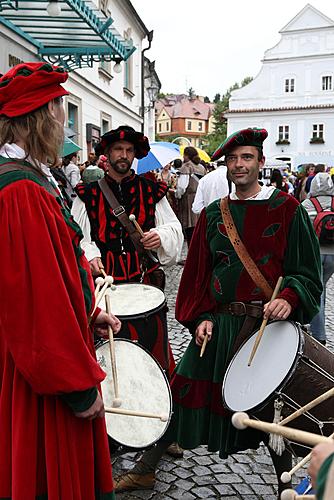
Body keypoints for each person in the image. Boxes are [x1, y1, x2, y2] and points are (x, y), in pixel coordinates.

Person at [114, 128, 322, 495]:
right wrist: (201, 317)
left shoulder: (287, 209)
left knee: (273, 411)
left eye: (247, 158)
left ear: (260, 162)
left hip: (267, 328)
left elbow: (307, 271)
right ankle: (147, 467)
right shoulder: (214, 214)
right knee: (181, 391)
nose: (239, 165)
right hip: (220, 324)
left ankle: (286, 488)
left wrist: (289, 296)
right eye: (233, 159)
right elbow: (197, 276)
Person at [0, 62, 122, 499]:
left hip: (45, 360)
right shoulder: (21, 192)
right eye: (58, 109)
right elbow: (37, 306)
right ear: (39, 116)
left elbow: (52, 275)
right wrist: (77, 387)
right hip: (44, 378)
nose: (62, 120)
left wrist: (88, 315)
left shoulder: (31, 181)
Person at [71, 125, 183, 373]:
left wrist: (159, 236)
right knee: (109, 354)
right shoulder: (87, 194)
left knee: (149, 352)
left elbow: (174, 228)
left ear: (135, 154)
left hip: (144, 281)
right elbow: (77, 238)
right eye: (118, 149)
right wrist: (90, 255)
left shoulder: (151, 190)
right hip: (105, 284)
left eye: (129, 150)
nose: (124, 155)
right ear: (107, 155)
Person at [302, 172, 334, 344]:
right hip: (333, 255)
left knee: (317, 292)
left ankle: (319, 335)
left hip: (315, 254)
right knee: (322, 288)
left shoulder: (307, 204)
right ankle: (318, 328)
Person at [175, 145, 206, 246]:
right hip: (200, 199)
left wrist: (177, 195)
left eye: (184, 155)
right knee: (198, 229)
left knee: (189, 228)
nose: (183, 157)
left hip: (188, 200)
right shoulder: (201, 167)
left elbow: (182, 187)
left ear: (187, 155)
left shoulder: (186, 167)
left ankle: (190, 256)